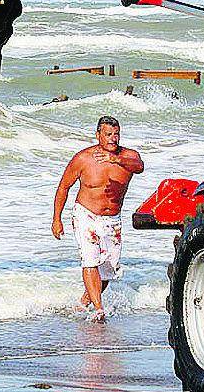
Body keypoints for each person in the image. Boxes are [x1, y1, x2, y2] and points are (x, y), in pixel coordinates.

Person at [51, 116, 143, 321]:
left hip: (112, 219)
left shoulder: (128, 157)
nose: (113, 139)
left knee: (108, 269)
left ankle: (85, 301)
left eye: (116, 134)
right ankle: (99, 310)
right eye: (108, 134)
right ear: (98, 135)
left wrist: (116, 160)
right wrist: (57, 219)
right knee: (90, 258)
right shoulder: (84, 158)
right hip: (86, 214)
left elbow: (139, 166)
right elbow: (63, 187)